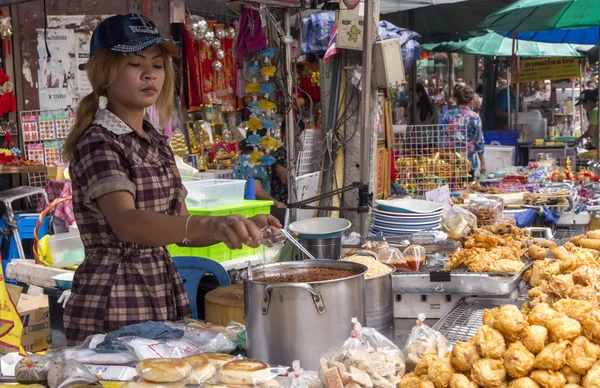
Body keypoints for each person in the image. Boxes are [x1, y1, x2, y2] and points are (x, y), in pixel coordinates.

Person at [62, 14, 281, 345]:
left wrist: (238, 224)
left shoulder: (155, 140)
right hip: (114, 297)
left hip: (161, 287)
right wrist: (210, 226)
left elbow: (181, 228)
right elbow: (127, 222)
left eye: (158, 64)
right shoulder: (99, 141)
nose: (150, 74)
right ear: (105, 73)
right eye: (135, 63)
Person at [441, 85, 486, 179]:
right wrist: (483, 162)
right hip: (468, 161)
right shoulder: (474, 117)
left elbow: (442, 137)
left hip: (450, 160)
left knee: (451, 190)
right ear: (470, 100)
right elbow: (479, 141)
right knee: (467, 191)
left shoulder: (448, 115)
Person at [233, 137, 286, 210]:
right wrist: (277, 203)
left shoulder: (239, 159)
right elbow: (257, 191)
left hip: (242, 206)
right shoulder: (252, 163)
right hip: (254, 208)